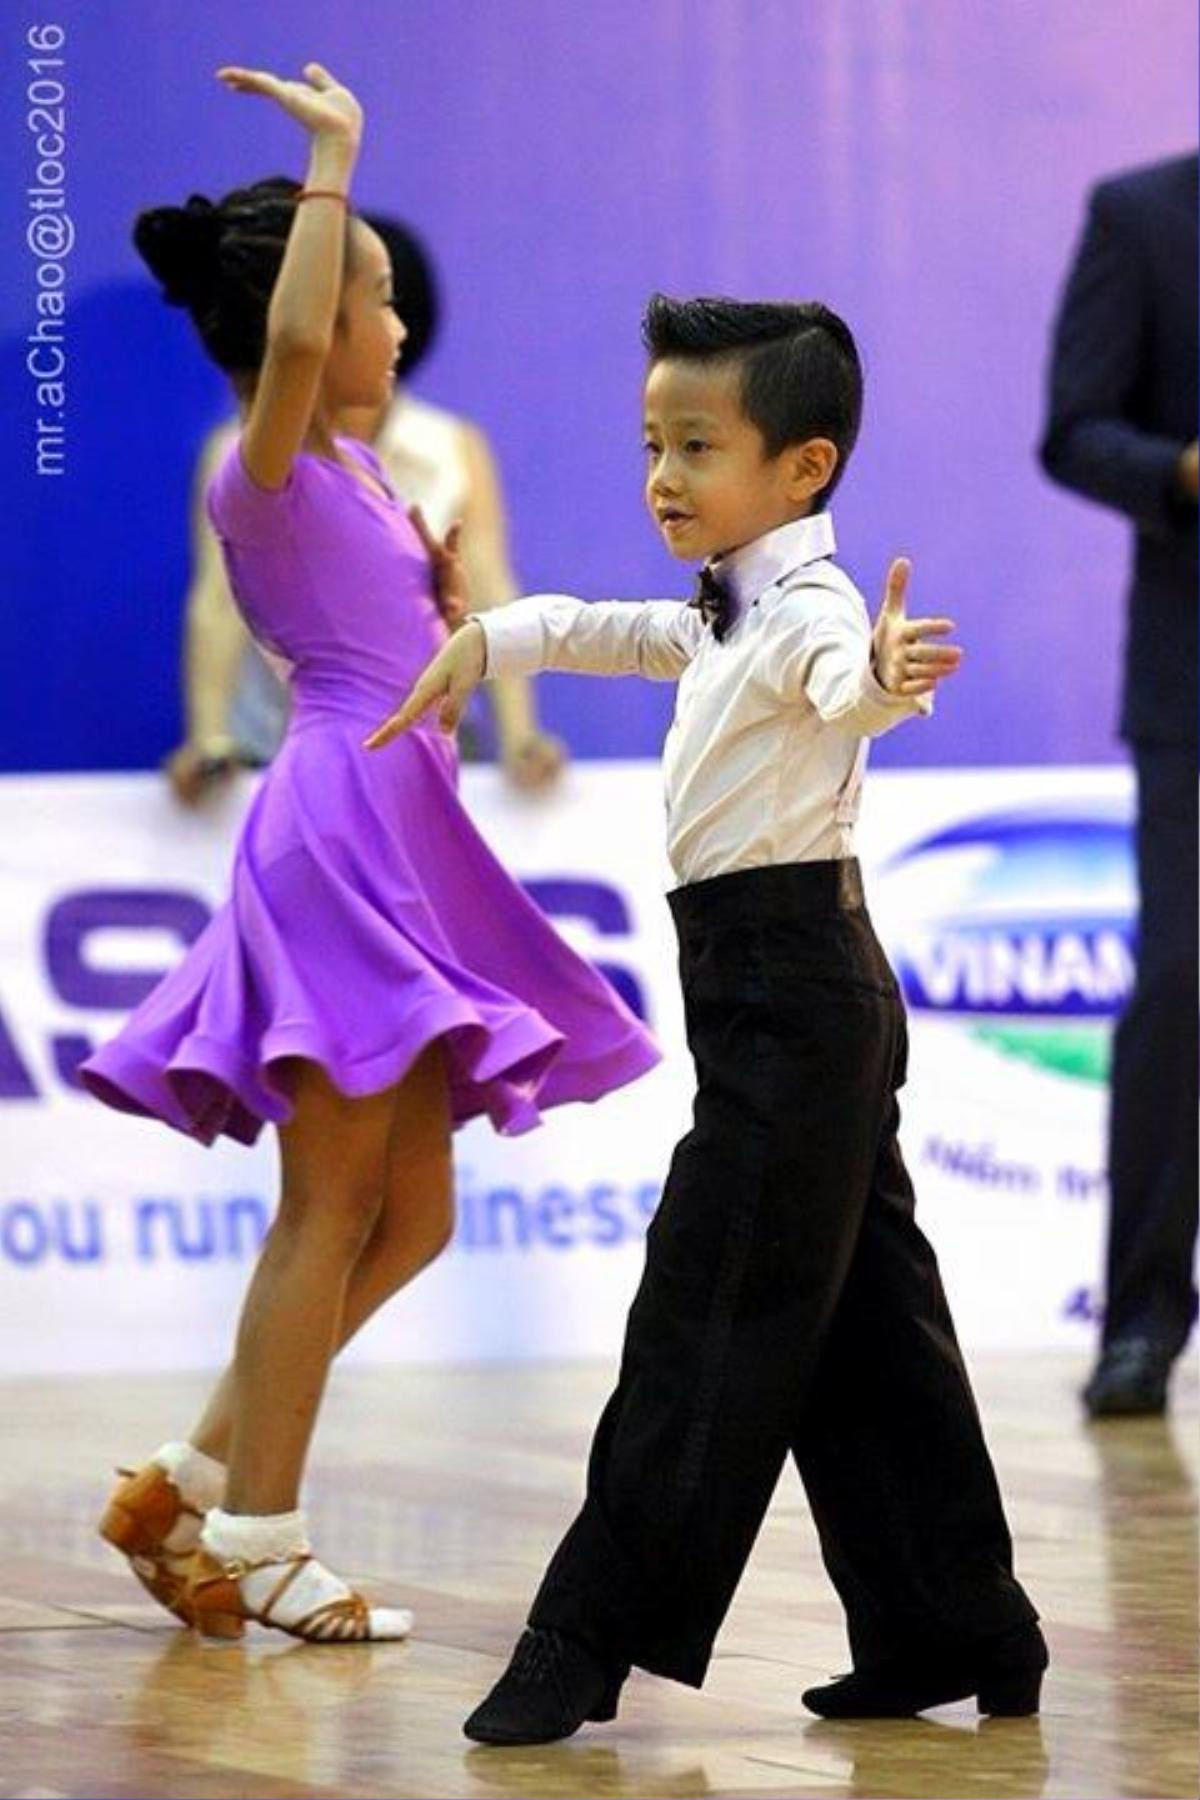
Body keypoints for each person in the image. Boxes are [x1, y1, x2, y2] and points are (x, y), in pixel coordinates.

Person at [369, 295, 1047, 1740]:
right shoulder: (722, 603)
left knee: (703, 1313)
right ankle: (958, 1626)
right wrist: (486, 642)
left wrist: (881, 676)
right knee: (870, 1332)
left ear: (803, 468)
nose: (661, 475)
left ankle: (582, 1639)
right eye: (650, 443)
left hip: (799, 1001)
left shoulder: (804, 608)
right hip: (782, 994)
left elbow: (839, 683)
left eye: (696, 446)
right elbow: (607, 628)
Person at [81, 61, 658, 1646]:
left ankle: (188, 1480)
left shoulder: (355, 473)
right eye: (374, 300)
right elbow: (285, 347)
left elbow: (406, 642)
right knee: (327, 1207)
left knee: (413, 1215)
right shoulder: (260, 460)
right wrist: (335, 157)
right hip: (337, 834)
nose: (397, 330)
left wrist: (457, 618)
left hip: (410, 829)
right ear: (313, 317)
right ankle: (259, 1534)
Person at [166, 212, 564, 801]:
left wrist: (521, 735)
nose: (392, 329)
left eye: (391, 305)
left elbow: (488, 590)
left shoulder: (453, 449)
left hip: (429, 755)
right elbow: (219, 600)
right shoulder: (237, 453)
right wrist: (208, 740)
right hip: (273, 756)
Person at [1039, 152, 1198, 1418]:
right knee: (1184, 984)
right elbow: (1077, 427)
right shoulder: (1141, 213)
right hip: (1193, 683)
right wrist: (1183, 472)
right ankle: (1140, 1319)